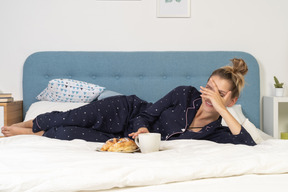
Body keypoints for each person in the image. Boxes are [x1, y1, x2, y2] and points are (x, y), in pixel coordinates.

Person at [1, 58, 256, 146]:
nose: (210, 95)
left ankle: (33, 134)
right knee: (71, 116)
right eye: (209, 87)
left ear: (233, 100)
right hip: (127, 112)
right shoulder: (185, 93)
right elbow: (147, 114)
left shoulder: (217, 132)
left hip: (130, 142)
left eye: (220, 93)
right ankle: (24, 126)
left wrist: (223, 109)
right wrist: (143, 128)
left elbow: (247, 142)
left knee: (68, 133)